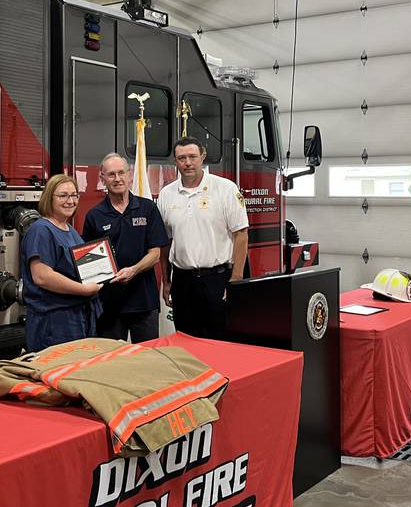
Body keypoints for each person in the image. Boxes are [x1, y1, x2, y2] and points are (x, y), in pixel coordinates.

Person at [157, 137, 249, 338]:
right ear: (175, 160)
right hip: (182, 282)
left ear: (203, 157)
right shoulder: (166, 194)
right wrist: (166, 281)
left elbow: (241, 235)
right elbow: (165, 243)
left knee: (222, 341)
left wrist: (235, 281)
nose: (187, 163)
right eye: (182, 158)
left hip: (218, 279)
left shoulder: (226, 189)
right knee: (186, 341)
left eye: (192, 157)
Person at [83, 153, 169, 342]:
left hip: (144, 303)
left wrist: (133, 271)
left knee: (148, 360)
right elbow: (88, 262)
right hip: (109, 305)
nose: (117, 179)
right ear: (102, 179)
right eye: (111, 174)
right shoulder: (94, 216)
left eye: (121, 173)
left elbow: (155, 254)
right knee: (111, 364)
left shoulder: (148, 209)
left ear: (130, 175)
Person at [21, 174, 102, 352]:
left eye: (74, 195)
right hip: (54, 322)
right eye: (63, 195)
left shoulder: (69, 230)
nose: (70, 201)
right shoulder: (41, 230)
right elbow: (42, 276)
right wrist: (84, 289)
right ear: (49, 197)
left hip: (77, 316)